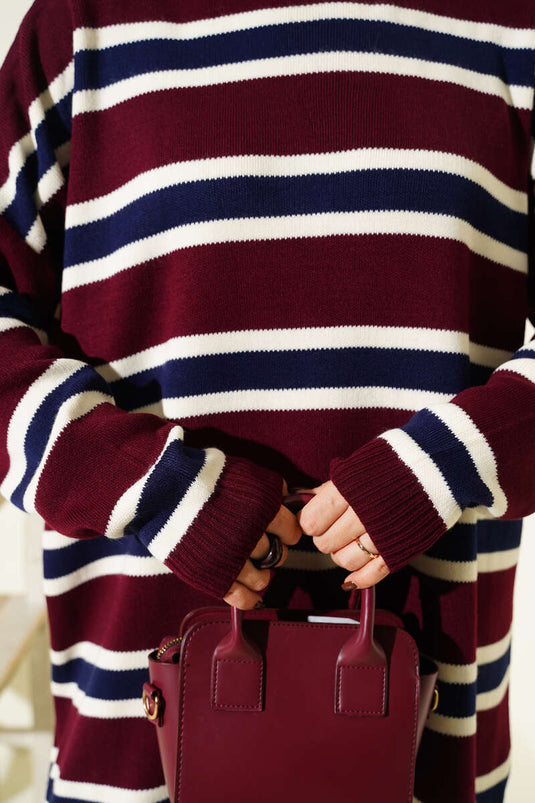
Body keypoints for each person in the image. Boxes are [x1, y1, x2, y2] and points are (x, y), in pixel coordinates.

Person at [0, 0, 533, 801]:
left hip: (425, 739)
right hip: (133, 744)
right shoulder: (84, 22)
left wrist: (452, 462)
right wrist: (150, 489)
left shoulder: (511, 24)